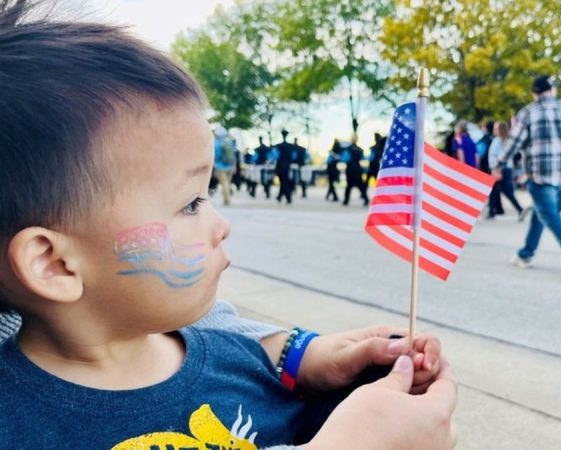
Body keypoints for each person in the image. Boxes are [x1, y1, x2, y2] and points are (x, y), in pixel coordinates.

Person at [0, 3, 456, 448]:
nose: (222, 226)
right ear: (55, 263)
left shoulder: (237, 360)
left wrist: (330, 379)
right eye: (190, 204)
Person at [495, 75, 561, 275]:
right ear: (553, 91)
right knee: (542, 213)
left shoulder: (528, 113)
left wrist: (499, 164)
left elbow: (513, 143)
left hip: (540, 175)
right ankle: (526, 253)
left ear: (534, 93)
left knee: (548, 215)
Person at [487, 121, 527, 220]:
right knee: (494, 191)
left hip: (499, 169)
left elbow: (499, 156)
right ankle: (491, 211)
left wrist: (497, 169)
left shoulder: (498, 141)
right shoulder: (506, 140)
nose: (494, 130)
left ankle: (520, 209)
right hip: (505, 168)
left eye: (496, 128)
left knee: (506, 192)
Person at [341, 139, 369, 207]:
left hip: (350, 169)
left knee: (349, 186)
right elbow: (363, 158)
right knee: (360, 185)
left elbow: (344, 159)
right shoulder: (359, 149)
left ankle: (346, 201)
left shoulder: (347, 149)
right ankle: (366, 199)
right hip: (357, 169)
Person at [213, 125, 235, 206]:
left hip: (220, 166)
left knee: (224, 183)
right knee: (228, 183)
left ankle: (226, 200)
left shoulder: (216, 143)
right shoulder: (228, 142)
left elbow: (215, 155)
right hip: (229, 166)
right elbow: (233, 154)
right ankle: (227, 199)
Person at [275, 129, 294, 204]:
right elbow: (293, 157)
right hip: (287, 165)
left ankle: (287, 197)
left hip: (280, 165)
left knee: (283, 182)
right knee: (284, 181)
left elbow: (275, 156)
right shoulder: (290, 146)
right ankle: (280, 196)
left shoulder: (278, 146)